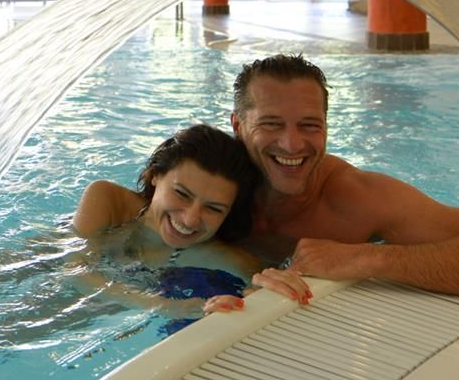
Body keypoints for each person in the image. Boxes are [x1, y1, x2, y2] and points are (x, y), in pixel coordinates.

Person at [229, 54, 459, 300]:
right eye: (271, 124)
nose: (292, 144)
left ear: (326, 127)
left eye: (309, 125)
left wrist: (365, 258)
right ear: (238, 126)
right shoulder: (209, 182)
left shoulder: (357, 199)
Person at [71, 123, 312, 330]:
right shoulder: (109, 201)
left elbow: (261, 286)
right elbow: (72, 268)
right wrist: (166, 306)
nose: (190, 219)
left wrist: (262, 293)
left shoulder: (221, 257)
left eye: (214, 208)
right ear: (155, 175)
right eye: (182, 194)